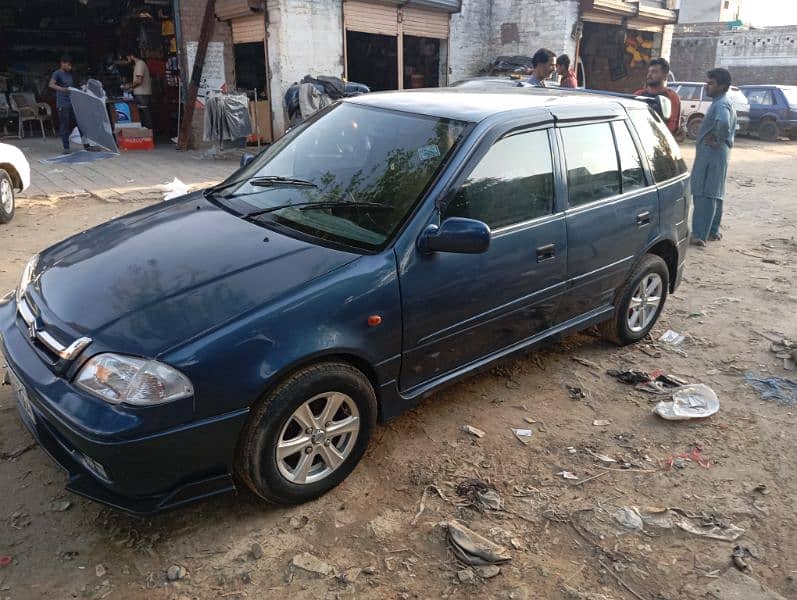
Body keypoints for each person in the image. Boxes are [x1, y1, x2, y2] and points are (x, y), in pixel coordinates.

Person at [690, 68, 737, 247]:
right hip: (718, 155)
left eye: (711, 83)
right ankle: (712, 230)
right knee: (715, 193)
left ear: (722, 85)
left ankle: (699, 234)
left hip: (711, 155)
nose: (706, 86)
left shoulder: (721, 104)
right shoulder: (725, 102)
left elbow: (723, 122)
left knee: (704, 194)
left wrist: (718, 139)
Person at [49, 56, 89, 154]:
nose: (69, 67)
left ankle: (87, 145)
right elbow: (51, 84)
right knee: (64, 125)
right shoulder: (57, 73)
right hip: (63, 103)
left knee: (81, 124)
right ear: (62, 63)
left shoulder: (71, 73)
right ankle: (66, 147)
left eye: (70, 65)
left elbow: (76, 84)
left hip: (74, 102)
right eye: (68, 65)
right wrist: (63, 89)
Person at [634, 57, 681, 135]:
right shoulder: (638, 95)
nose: (649, 74)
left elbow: (672, 126)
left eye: (654, 72)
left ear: (665, 76)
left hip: (661, 141)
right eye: (649, 71)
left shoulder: (672, 97)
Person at [125, 51, 153, 130]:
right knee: (144, 116)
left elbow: (139, 81)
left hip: (142, 94)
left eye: (127, 57)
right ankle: (147, 135)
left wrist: (128, 86)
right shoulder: (139, 64)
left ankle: (148, 135)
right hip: (141, 94)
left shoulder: (140, 64)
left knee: (145, 116)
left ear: (131, 56)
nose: (127, 60)